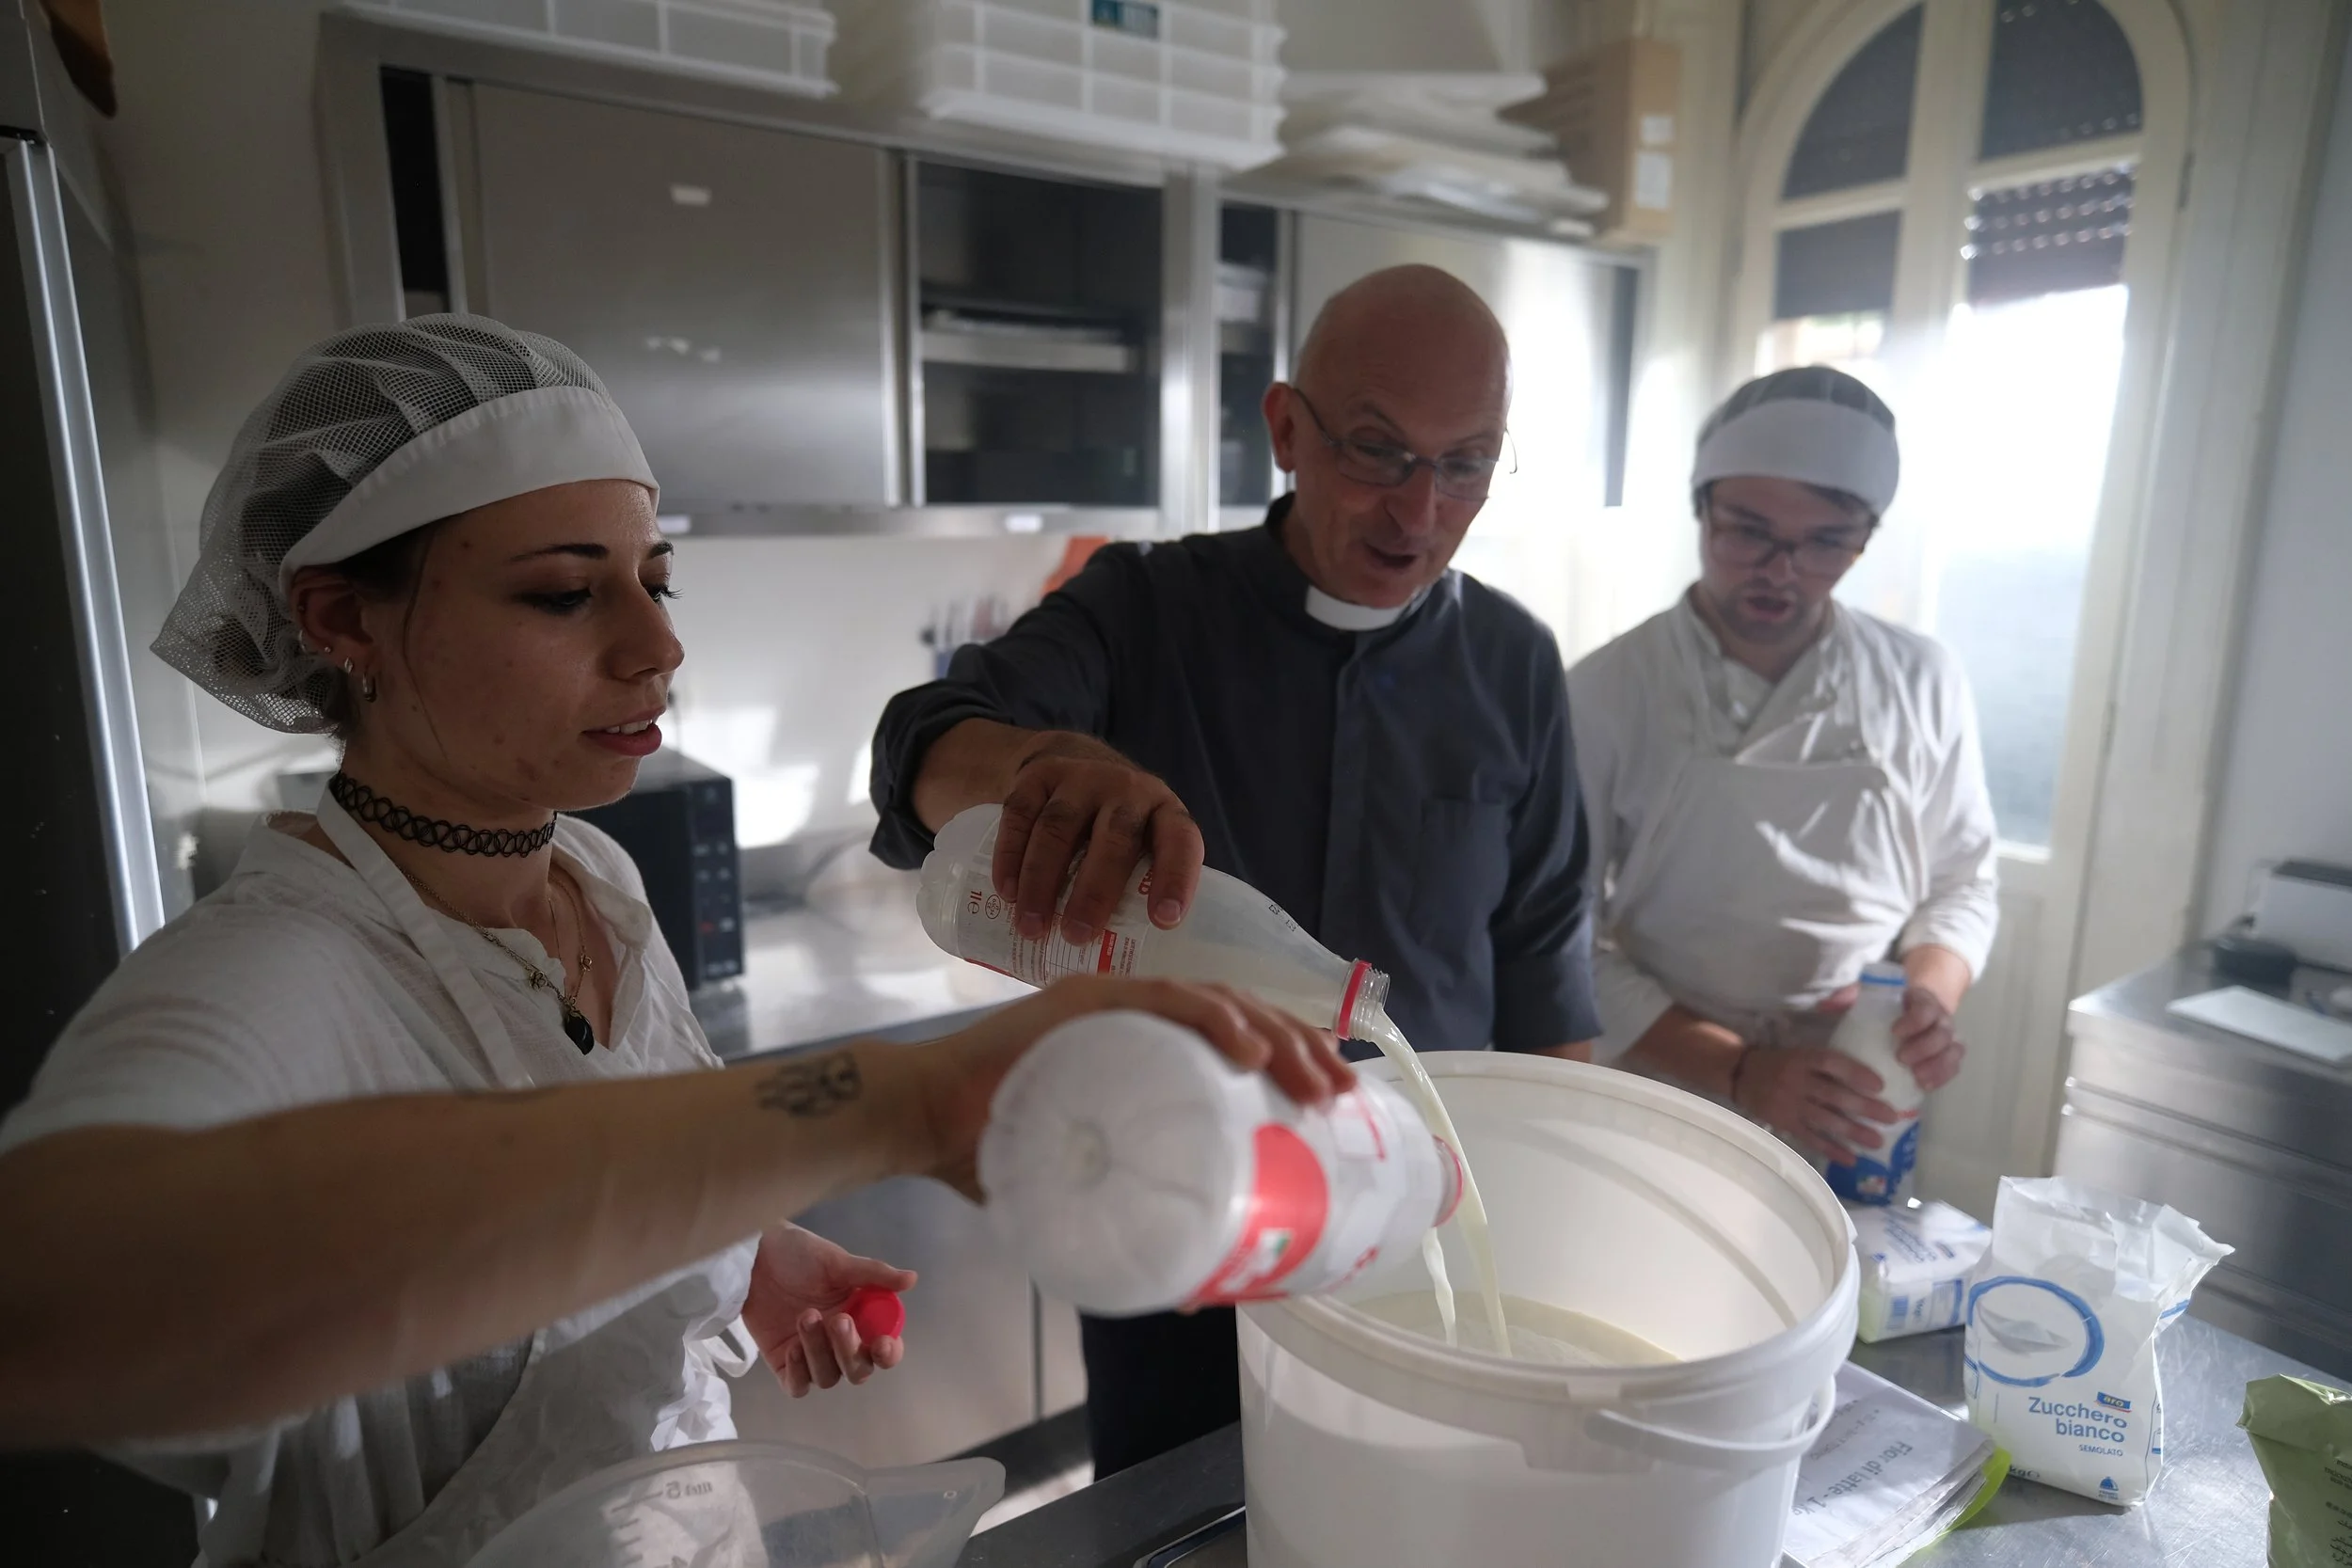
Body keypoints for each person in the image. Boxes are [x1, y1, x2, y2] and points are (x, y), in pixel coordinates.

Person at [0, 316, 1351, 1567]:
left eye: (655, 580)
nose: (657, 647)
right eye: (562, 595)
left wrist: (736, 1242)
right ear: (344, 620)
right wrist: (893, 1098)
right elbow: (52, 1292)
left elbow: (564, 1150)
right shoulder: (283, 966)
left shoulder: (591, 869)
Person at [867, 264, 1602, 1475]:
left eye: (1464, 463)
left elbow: (1542, 962)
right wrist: (1037, 764)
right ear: (1285, 430)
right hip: (1178, 1224)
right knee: (1176, 1519)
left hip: (1418, 1232)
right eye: (1376, 451)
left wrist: (1547, 1224)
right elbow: (922, 742)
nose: (1417, 511)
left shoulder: (1513, 664)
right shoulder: (1144, 608)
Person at [1566, 366, 1998, 1164]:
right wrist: (1739, 1067)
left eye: (1826, 541)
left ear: (1866, 536)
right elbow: (1562, 934)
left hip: (1859, 1075)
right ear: (1701, 511)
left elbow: (1962, 881)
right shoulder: (1606, 692)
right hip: (1669, 1073)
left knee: (1850, 1281)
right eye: (1748, 530)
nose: (1779, 569)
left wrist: (1924, 1002)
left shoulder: (1922, 680)